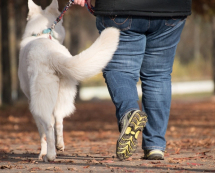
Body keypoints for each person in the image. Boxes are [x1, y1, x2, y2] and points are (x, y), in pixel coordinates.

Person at [74, 0, 192, 160]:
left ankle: (129, 112)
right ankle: (155, 146)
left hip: (121, 8)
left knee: (119, 69)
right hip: (171, 9)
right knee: (158, 75)